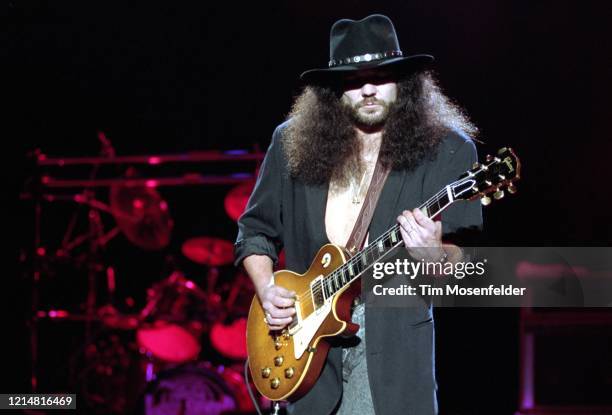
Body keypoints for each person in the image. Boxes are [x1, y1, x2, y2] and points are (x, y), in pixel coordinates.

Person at [234, 14, 482, 415]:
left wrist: (435, 255)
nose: (368, 89)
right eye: (353, 80)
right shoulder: (290, 144)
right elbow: (254, 230)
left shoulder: (448, 150)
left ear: (405, 83)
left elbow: (465, 269)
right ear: (333, 90)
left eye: (381, 77)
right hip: (306, 341)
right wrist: (266, 289)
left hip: (391, 344)